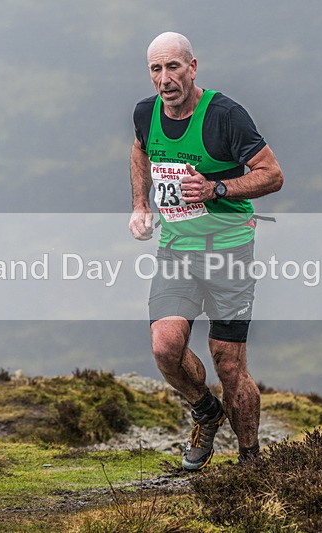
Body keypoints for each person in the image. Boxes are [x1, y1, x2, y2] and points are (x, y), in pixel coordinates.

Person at [129, 32, 283, 470]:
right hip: (176, 249)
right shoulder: (146, 113)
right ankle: (205, 411)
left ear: (192, 67)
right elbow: (140, 150)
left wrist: (218, 188)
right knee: (165, 347)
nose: (165, 79)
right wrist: (141, 205)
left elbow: (272, 175)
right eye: (156, 69)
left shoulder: (225, 116)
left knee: (229, 366)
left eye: (173, 67)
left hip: (228, 252)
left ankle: (250, 461)